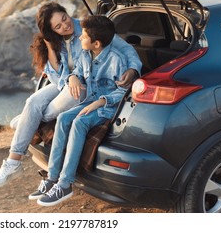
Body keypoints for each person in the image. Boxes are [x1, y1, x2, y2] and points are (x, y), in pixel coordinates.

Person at [0, 2, 141, 188]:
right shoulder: (54, 39)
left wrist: (133, 69)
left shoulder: (88, 30)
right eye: (57, 26)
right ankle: (13, 161)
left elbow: (127, 50)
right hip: (65, 82)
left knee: (56, 103)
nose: (65, 26)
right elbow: (55, 77)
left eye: (64, 18)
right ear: (51, 30)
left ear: (66, 12)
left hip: (84, 86)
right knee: (32, 101)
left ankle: (29, 121)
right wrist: (52, 50)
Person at [33, 15, 142, 206]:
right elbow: (78, 73)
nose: (80, 39)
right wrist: (72, 78)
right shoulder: (85, 54)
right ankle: (52, 177)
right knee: (64, 118)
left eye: (83, 37)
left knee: (79, 122)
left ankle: (65, 183)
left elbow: (123, 91)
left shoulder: (117, 60)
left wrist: (100, 102)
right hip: (90, 100)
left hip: (108, 107)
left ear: (96, 43)